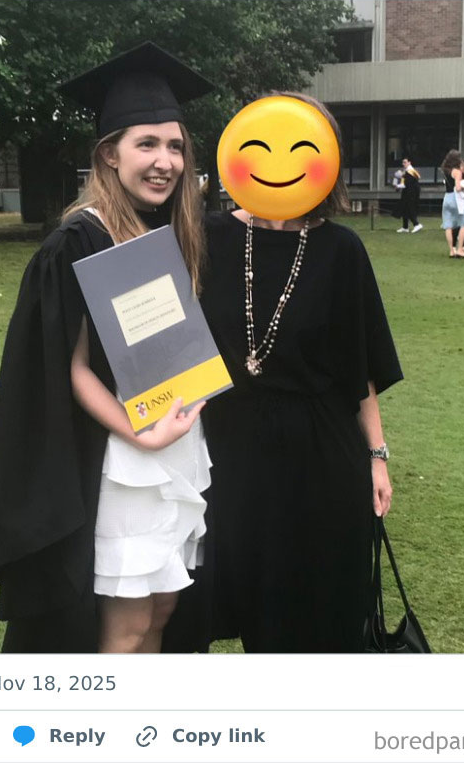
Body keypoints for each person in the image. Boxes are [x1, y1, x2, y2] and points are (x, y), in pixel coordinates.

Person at [0, 43, 214, 653]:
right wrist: (141, 434)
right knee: (128, 623)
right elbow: (72, 367)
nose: (165, 161)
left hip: (174, 443)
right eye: (147, 145)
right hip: (122, 458)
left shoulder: (165, 229)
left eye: (175, 147)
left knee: (162, 608)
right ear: (109, 153)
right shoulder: (81, 240)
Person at [163, 94, 403, 653]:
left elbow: (360, 370)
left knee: (311, 614)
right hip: (224, 449)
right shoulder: (202, 235)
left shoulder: (341, 250)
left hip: (320, 456)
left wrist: (377, 456)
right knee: (213, 596)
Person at [440, 150, 464, 258]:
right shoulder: (457, 172)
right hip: (456, 198)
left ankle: (451, 250)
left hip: (447, 197)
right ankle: (460, 249)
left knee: (448, 225)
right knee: (463, 223)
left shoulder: (445, 171)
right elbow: (457, 187)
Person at [394, 158, 422, 233]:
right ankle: (405, 227)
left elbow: (406, 184)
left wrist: (398, 186)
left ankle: (417, 224)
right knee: (404, 209)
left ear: (409, 162)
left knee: (410, 208)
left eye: (405, 162)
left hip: (411, 193)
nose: (403, 164)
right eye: (403, 162)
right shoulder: (406, 172)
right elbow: (404, 183)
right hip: (407, 193)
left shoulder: (411, 172)